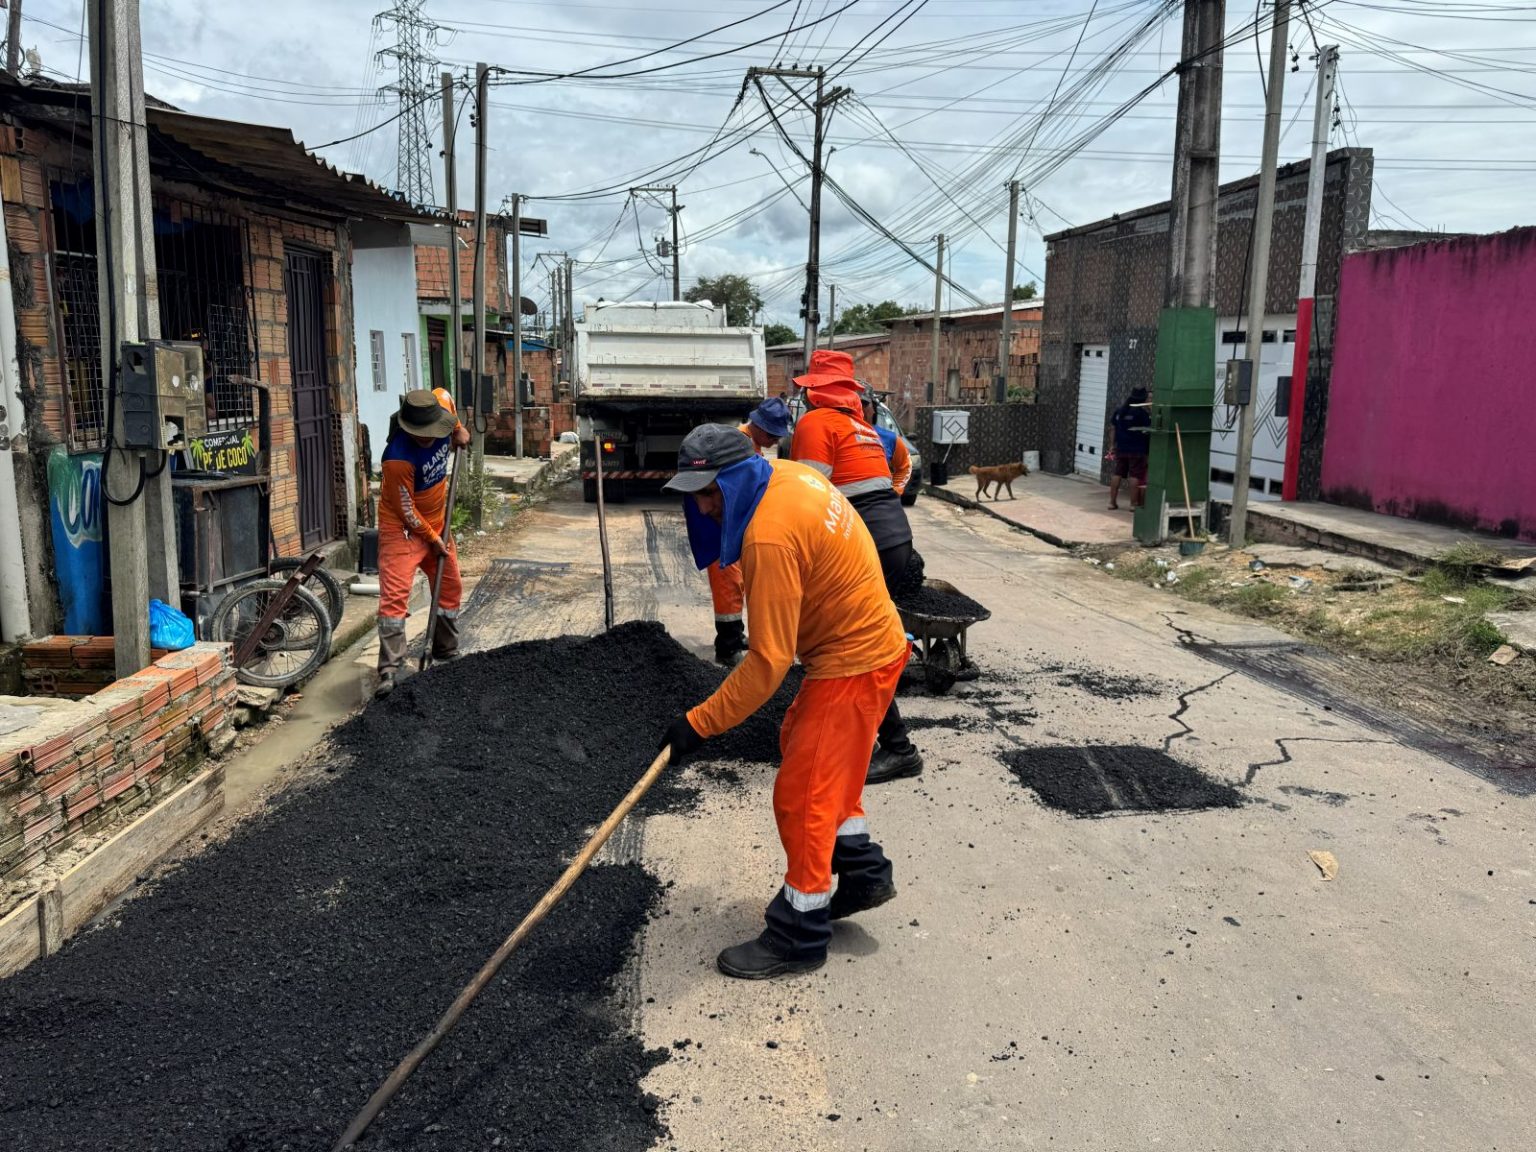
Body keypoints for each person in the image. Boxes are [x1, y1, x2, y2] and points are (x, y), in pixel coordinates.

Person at [660, 424, 907, 979]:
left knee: (802, 796)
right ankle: (863, 871)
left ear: (733, 480)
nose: (701, 508)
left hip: (855, 661)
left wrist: (698, 724)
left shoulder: (768, 535)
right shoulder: (787, 476)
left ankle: (799, 933)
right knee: (810, 752)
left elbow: (767, 662)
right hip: (868, 648)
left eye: (706, 494)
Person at [790, 350, 923, 785]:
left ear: (813, 392)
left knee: (854, 646)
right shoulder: (864, 428)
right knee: (860, 641)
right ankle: (841, 722)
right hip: (893, 540)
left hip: (861, 546)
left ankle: (899, 749)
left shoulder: (814, 424)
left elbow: (806, 494)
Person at [374, 388, 471, 697]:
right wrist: (433, 539)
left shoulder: (441, 405)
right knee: (395, 597)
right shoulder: (397, 458)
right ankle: (391, 670)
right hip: (402, 529)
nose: (430, 438)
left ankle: (446, 650)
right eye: (423, 434)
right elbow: (405, 511)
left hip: (437, 522)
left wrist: (460, 432)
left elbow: (448, 401)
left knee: (450, 584)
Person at [706, 396, 792, 665]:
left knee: (737, 582)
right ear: (761, 428)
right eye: (774, 436)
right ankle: (727, 647)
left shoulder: (747, 442)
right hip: (722, 526)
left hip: (731, 525)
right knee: (728, 584)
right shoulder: (740, 445)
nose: (777, 442)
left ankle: (735, 635)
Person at [860, 384, 912, 497]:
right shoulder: (836, 435)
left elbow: (905, 466)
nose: (859, 408)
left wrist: (895, 491)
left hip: (878, 508)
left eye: (864, 403)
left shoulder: (890, 439)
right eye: (854, 403)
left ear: (873, 409)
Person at [1109, 387, 1151, 511]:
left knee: (1117, 473)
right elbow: (1148, 431)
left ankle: (1112, 502)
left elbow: (1112, 429)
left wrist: (1112, 445)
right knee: (1135, 475)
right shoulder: (1142, 414)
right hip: (1137, 450)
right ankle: (1133, 504)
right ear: (1143, 399)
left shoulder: (1119, 411)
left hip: (1121, 448)